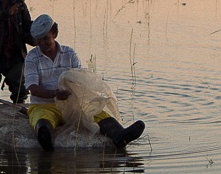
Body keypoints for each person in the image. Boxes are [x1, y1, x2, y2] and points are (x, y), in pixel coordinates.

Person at [23, 13, 144, 151]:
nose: (43, 43)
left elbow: (79, 78)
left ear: (55, 34)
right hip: (44, 105)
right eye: (40, 41)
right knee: (43, 125)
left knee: (96, 111)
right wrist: (55, 94)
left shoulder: (69, 53)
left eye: (46, 38)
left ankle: (120, 135)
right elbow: (33, 88)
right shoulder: (32, 58)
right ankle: (47, 145)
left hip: (71, 104)